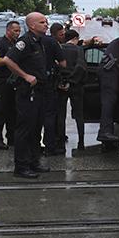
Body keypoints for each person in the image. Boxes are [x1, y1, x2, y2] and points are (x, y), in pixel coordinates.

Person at [3, 12, 52, 178]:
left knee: (36, 128)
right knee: (25, 129)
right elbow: (8, 60)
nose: (46, 24)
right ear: (32, 25)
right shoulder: (25, 42)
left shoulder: (39, 41)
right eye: (42, 22)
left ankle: (33, 161)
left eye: (46, 21)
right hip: (27, 92)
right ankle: (21, 166)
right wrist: (25, 76)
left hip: (39, 92)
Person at [0, 20, 22, 150]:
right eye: (15, 31)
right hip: (0, 83)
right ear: (8, 30)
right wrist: (9, 60)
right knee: (0, 111)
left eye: (19, 31)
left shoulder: (16, 44)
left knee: (13, 111)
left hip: (13, 83)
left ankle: (12, 138)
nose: (17, 33)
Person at [57, 30, 88, 150]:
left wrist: (62, 81)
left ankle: (60, 141)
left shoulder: (59, 48)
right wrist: (71, 81)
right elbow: (81, 66)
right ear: (75, 38)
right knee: (79, 114)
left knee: (61, 114)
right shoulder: (78, 50)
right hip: (76, 86)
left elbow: (56, 65)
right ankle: (81, 142)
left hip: (61, 85)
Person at [42, 23, 67, 156]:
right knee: (50, 116)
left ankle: (36, 145)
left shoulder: (39, 40)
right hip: (49, 85)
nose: (63, 36)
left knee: (37, 116)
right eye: (61, 34)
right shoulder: (53, 43)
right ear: (55, 33)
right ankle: (50, 146)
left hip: (36, 84)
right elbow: (63, 63)